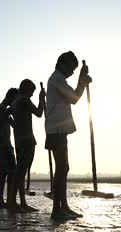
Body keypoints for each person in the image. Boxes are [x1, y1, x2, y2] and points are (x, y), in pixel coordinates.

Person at [45, 51, 91, 220]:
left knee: (64, 168)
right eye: (71, 68)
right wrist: (82, 80)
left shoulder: (59, 79)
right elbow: (74, 98)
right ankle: (57, 209)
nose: (72, 72)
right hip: (55, 130)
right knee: (61, 168)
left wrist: (82, 80)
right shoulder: (57, 79)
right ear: (63, 64)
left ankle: (63, 206)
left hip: (58, 129)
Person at [7, 79, 45, 212]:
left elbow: (10, 117)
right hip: (27, 141)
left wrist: (14, 124)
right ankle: (12, 202)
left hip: (19, 140)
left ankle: (21, 202)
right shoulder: (24, 100)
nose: (32, 95)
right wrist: (41, 99)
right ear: (26, 89)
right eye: (32, 92)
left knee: (20, 172)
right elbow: (39, 113)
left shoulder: (15, 101)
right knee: (20, 172)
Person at [0, 88, 18, 209]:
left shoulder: (5, 110)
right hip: (3, 145)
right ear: (10, 97)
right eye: (14, 99)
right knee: (7, 172)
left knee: (8, 172)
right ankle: (1, 200)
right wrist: (3, 143)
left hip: (7, 145)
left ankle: (8, 200)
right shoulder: (0, 109)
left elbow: (13, 124)